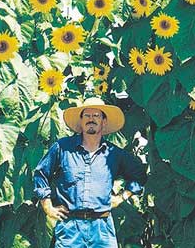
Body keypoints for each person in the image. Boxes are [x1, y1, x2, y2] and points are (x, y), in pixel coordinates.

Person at [33, 97, 147, 248]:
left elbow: (139, 173)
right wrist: (47, 206)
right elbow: (41, 173)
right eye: (87, 115)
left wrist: (122, 196)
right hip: (70, 228)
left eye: (96, 116)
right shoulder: (62, 148)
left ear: (104, 122)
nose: (91, 119)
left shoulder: (114, 153)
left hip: (102, 228)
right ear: (81, 122)